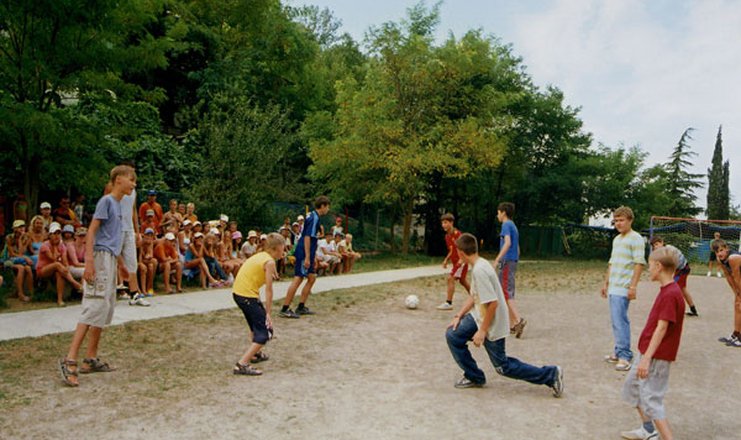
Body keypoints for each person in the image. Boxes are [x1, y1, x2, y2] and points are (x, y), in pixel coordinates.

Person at [445, 232, 563, 396]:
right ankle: (474, 376)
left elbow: (493, 304)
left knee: (503, 367)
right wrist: (459, 315)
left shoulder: (480, 270)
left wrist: (482, 331)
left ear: (461, 253)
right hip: (479, 316)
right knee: (453, 335)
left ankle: (551, 375)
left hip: (492, 322)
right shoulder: (479, 264)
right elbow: (474, 296)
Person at [58, 165, 136, 387]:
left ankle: (90, 359)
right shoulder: (107, 202)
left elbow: (113, 238)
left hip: (110, 259)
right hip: (100, 259)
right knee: (93, 306)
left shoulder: (120, 206)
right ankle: (70, 359)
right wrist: (90, 263)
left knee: (104, 308)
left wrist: (120, 263)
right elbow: (92, 231)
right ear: (118, 179)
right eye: (131, 179)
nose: (134, 184)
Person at [620, 246, 685, 440]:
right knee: (631, 388)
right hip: (647, 351)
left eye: (650, 266)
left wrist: (647, 358)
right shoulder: (667, 290)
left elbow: (662, 328)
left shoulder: (671, 294)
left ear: (658, 266)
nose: (649, 270)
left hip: (656, 356)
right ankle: (649, 430)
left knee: (651, 400)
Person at [231, 233, 285, 376]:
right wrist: (268, 313)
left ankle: (256, 354)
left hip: (239, 293)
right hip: (247, 295)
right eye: (281, 249)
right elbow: (269, 290)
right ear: (274, 249)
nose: (283, 252)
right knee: (266, 332)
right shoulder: (270, 262)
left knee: (254, 325)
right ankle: (242, 364)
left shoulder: (261, 256)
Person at [601, 206, 646, 371]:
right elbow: (612, 263)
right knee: (615, 320)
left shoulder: (636, 238)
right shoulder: (617, 239)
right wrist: (606, 283)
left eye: (622, 220)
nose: (618, 224)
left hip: (624, 287)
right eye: (616, 220)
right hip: (614, 285)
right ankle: (618, 350)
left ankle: (625, 356)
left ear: (630, 221)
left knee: (620, 321)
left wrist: (633, 286)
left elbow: (639, 263)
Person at [280, 196, 330, 318]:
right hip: (303, 251)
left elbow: (312, 238)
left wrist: (312, 256)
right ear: (322, 206)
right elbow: (307, 237)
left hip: (308, 251)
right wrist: (307, 257)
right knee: (299, 278)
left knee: (311, 278)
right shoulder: (314, 218)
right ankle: (285, 308)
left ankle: (301, 306)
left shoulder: (312, 216)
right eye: (327, 206)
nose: (328, 209)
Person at [493, 202, 526, 338]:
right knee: (506, 291)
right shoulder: (513, 225)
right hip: (511, 261)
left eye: (498, 212)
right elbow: (517, 248)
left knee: (506, 292)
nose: (497, 215)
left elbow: (508, 243)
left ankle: (518, 320)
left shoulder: (506, 225)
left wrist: (498, 259)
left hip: (507, 261)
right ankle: (513, 324)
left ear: (503, 213)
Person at [649, 236, 698, 316]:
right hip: (680, 269)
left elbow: (673, 264)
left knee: (674, 288)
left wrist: (669, 275)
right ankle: (693, 309)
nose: (656, 247)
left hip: (683, 269)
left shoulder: (668, 250)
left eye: (657, 244)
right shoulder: (663, 252)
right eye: (654, 246)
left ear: (662, 242)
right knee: (682, 289)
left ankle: (676, 310)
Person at [37, 222, 83, 306]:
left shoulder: (62, 246)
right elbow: (53, 259)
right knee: (57, 265)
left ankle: (60, 299)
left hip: (57, 269)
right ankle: (75, 283)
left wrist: (66, 268)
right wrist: (55, 246)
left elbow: (65, 261)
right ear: (50, 235)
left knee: (59, 273)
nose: (56, 236)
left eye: (58, 233)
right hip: (43, 269)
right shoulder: (45, 245)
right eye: (54, 234)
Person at [711, 239, 741, 347]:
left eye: (721, 250)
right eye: (717, 252)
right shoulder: (720, 260)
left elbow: (737, 278)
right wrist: (736, 293)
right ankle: (736, 334)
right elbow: (729, 277)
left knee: (739, 305)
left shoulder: (733, 259)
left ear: (726, 249)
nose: (719, 253)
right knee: (737, 306)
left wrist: (739, 294)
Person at [437, 213, 470, 311]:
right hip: (456, 262)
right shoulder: (447, 236)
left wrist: (461, 261)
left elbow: (463, 248)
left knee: (450, 278)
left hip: (462, 261)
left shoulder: (457, 234)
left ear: (451, 223)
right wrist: (446, 259)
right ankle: (476, 297)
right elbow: (451, 250)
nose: (443, 225)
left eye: (445, 222)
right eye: (442, 223)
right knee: (463, 281)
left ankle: (448, 302)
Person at [5, 219, 33, 302]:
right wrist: (24, 257)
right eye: (19, 227)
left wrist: (21, 239)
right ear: (14, 229)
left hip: (21, 259)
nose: (22, 228)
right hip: (9, 259)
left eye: (23, 226)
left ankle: (32, 293)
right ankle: (20, 294)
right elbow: (11, 254)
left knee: (28, 269)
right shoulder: (9, 237)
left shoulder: (27, 237)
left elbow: (22, 252)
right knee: (21, 268)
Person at [138, 228, 158, 295]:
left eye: (151, 235)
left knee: (152, 264)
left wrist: (148, 256)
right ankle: (143, 290)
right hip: (138, 260)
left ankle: (149, 287)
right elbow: (140, 256)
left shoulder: (150, 243)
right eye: (148, 235)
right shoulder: (140, 242)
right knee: (144, 267)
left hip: (145, 260)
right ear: (144, 235)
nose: (149, 236)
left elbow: (150, 255)